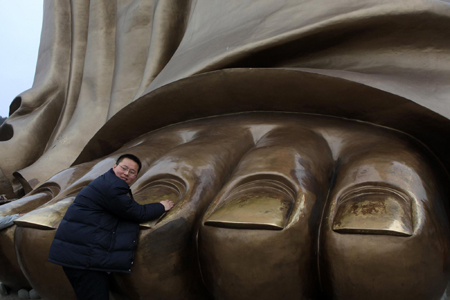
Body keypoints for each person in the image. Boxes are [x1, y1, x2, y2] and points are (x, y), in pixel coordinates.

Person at [48, 154, 174, 300]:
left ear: (136, 176)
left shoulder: (106, 182)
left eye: (132, 172)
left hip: (78, 255)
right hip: (84, 259)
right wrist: (161, 206)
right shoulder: (111, 186)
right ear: (115, 167)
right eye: (124, 168)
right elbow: (136, 213)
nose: (126, 173)